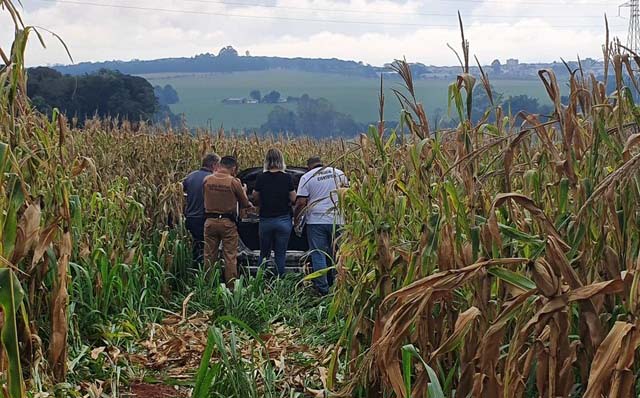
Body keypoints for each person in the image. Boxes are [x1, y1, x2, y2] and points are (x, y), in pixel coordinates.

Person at [294, 156, 348, 295]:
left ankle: (322, 290)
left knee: (318, 254)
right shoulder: (339, 173)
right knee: (338, 254)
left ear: (309, 166)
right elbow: (348, 195)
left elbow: (301, 203)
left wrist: (296, 220)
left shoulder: (307, 177)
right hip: (338, 220)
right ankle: (339, 287)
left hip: (316, 221)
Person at [203, 155, 253, 288]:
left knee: (209, 255)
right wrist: (244, 191)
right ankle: (231, 287)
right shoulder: (233, 182)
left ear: (219, 165)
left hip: (210, 221)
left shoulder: (207, 180)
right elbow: (244, 202)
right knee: (230, 256)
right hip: (227, 223)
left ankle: (208, 285)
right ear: (234, 168)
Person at [253, 149, 296, 276]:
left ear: (267, 160)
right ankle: (279, 283)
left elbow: (255, 197)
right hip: (283, 220)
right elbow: (293, 198)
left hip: (266, 220)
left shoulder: (261, 177)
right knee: (280, 254)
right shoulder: (287, 177)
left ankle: (260, 281)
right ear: (281, 160)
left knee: (264, 253)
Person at [182, 153, 220, 265]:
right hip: (204, 218)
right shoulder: (212, 179)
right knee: (207, 249)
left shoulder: (190, 176)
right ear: (214, 165)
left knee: (196, 245)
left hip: (190, 218)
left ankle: (193, 268)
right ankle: (205, 272)